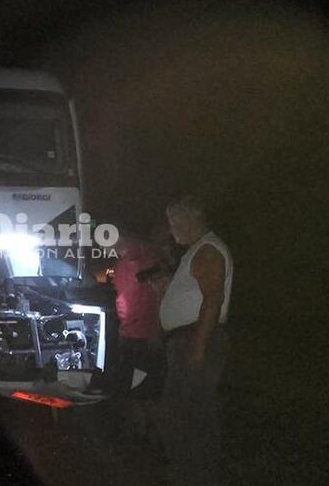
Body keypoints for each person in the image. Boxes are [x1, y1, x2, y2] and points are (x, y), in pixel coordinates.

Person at [158, 195, 233, 486]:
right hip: (189, 338)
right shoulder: (196, 251)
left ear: (191, 220)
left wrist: (197, 350)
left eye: (173, 220)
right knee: (183, 415)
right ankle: (188, 474)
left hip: (196, 339)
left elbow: (213, 301)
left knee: (191, 416)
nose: (170, 227)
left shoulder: (208, 250)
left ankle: (195, 476)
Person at [111, 231, 166, 442]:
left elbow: (161, 294)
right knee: (129, 387)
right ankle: (140, 431)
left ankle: (156, 436)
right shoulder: (122, 263)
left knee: (146, 390)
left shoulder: (149, 259)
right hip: (128, 334)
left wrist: (157, 331)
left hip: (145, 336)